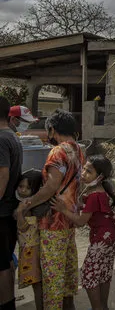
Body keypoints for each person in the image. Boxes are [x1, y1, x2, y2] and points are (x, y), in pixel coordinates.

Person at [19, 109, 82, 310]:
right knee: (67, 273)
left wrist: (26, 205)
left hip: (53, 221)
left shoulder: (58, 151)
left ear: (53, 129)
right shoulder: (79, 150)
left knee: (52, 277)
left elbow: (50, 188)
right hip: (69, 219)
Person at [52, 155, 115, 310]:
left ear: (100, 176)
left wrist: (63, 209)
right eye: (84, 168)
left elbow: (81, 222)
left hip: (103, 238)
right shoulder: (98, 191)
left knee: (89, 275)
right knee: (103, 273)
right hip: (110, 235)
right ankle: (102, 307)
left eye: (89, 171)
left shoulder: (94, 195)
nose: (83, 173)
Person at [0, 96, 22, 310]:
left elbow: (2, 175)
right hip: (10, 209)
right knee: (6, 259)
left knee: (1, 264)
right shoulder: (12, 136)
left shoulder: (0, 139)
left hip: (1, 211)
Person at [15, 170, 43, 310]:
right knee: (38, 285)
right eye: (21, 186)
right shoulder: (35, 204)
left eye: (27, 188)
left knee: (37, 285)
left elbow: (23, 227)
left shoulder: (26, 206)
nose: (23, 190)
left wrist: (20, 212)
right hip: (32, 249)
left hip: (30, 251)